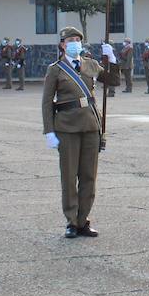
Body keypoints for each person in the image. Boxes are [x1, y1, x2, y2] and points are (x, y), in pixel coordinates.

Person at [41, 26, 118, 237]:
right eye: (70, 40)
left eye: (77, 39)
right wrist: (49, 131)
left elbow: (114, 81)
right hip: (67, 128)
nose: (75, 42)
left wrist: (111, 59)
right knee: (68, 176)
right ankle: (71, 221)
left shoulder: (90, 65)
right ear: (63, 44)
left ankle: (83, 219)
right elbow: (47, 102)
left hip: (91, 126)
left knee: (88, 176)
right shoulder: (55, 69)